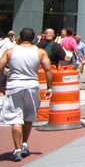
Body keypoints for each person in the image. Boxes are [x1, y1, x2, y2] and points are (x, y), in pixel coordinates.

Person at [0, 27, 53, 162]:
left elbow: (0, 67)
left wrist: (1, 85)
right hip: (32, 85)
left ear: (20, 37)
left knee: (16, 118)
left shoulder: (10, 51)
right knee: (29, 116)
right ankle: (24, 143)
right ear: (33, 38)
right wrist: (49, 87)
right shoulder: (40, 52)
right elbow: (48, 70)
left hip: (15, 85)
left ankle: (17, 150)